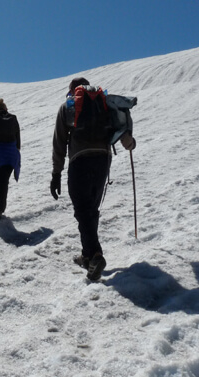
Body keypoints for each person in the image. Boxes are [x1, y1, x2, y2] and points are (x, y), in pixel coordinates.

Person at [50, 77, 136, 281]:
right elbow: (120, 126)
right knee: (91, 209)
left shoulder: (68, 107)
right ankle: (87, 256)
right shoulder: (103, 104)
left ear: (73, 90)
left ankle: (96, 255)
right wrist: (129, 142)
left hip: (80, 159)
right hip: (102, 159)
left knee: (82, 209)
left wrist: (56, 174)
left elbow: (59, 142)